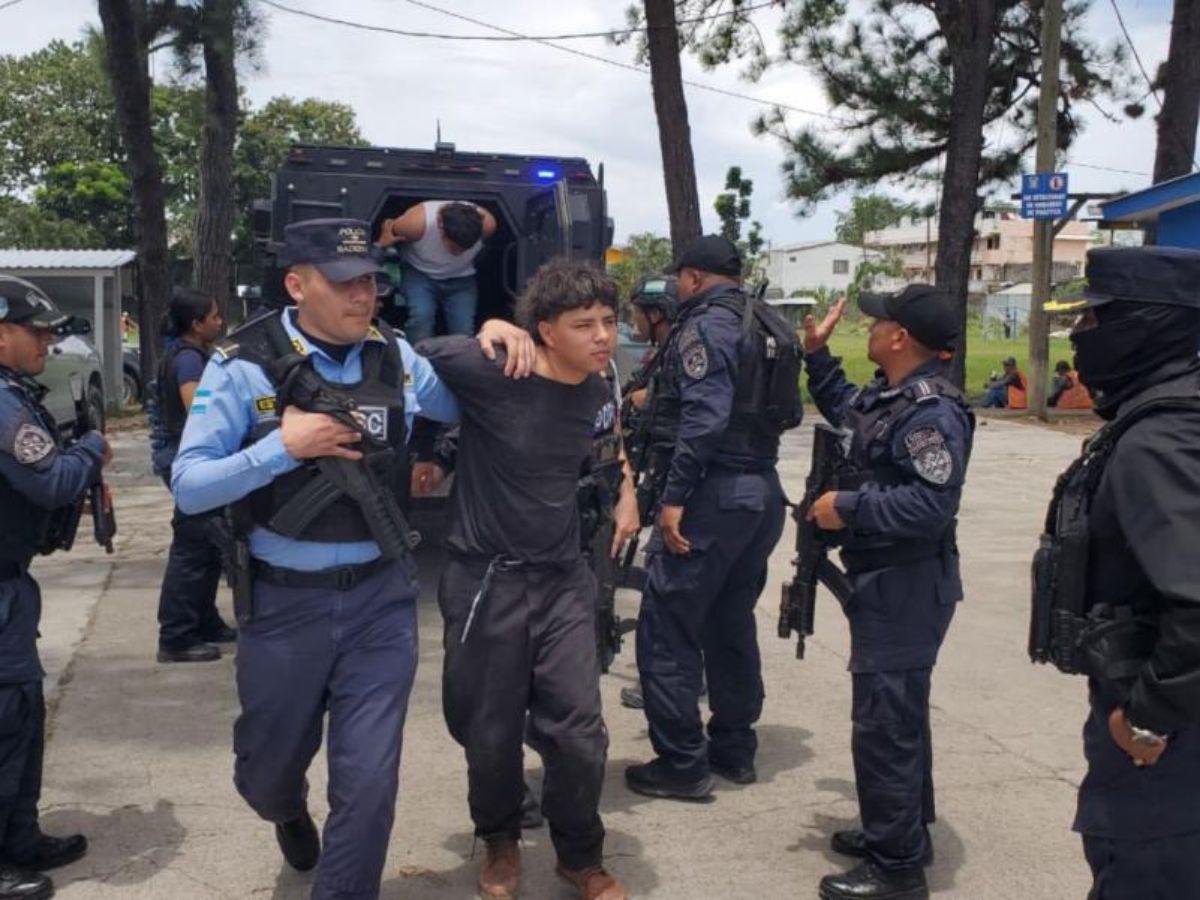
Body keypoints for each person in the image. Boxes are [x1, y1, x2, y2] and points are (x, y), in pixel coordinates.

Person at [171, 218, 533, 900]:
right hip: (282, 609)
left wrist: (487, 339)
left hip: (380, 602)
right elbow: (190, 488)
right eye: (344, 283)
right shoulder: (241, 363)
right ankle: (285, 808)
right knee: (265, 774)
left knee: (368, 783)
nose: (363, 295)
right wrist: (282, 446)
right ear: (296, 284)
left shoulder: (393, 355)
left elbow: (466, 403)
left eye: (370, 279)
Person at [416, 260, 638, 900]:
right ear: (544, 330)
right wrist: (485, 326)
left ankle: (579, 854)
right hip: (488, 579)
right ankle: (502, 841)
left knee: (580, 731)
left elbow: (609, 442)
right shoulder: (496, 372)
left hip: (564, 577)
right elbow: (413, 349)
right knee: (489, 731)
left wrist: (628, 490)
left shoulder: (601, 385)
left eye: (608, 321)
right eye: (584, 324)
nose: (603, 336)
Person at [1034, 246, 1200, 900]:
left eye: (1094, 322)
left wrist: (1150, 718)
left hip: (1172, 745)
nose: (1080, 336)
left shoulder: (1163, 437)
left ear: (1148, 322)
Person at [802, 285, 974, 900]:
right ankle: (903, 832)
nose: (870, 328)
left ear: (899, 338)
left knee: (885, 725)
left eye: (879, 321)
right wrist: (817, 356)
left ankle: (896, 866)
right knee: (898, 717)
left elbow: (931, 505)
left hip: (908, 581)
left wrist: (846, 507)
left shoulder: (931, 412)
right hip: (888, 579)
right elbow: (850, 413)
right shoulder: (892, 397)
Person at [625, 235, 799, 803]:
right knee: (730, 621)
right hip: (762, 492)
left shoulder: (705, 325)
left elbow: (705, 414)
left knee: (667, 626)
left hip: (712, 494)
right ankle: (734, 749)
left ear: (694, 278)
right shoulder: (770, 322)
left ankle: (680, 763)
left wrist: (675, 496)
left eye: (679, 278)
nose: (676, 288)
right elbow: (789, 411)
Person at [0, 285, 101, 900]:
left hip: (11, 581)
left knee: (22, 715)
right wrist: (93, 448)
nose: (48, 341)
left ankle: (18, 839)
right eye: (35, 331)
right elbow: (54, 481)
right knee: (6, 721)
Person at [151, 287, 236, 663]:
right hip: (187, 460)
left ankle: (204, 621)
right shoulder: (189, 361)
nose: (220, 322)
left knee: (208, 543)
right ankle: (177, 635)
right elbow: (198, 410)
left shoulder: (188, 354)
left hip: (187, 458)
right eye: (214, 316)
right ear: (196, 324)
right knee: (192, 550)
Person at [377, 200, 497, 342]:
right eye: (454, 247)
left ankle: (458, 362)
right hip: (419, 273)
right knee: (421, 319)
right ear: (440, 227)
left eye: (466, 248)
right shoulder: (414, 224)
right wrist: (380, 245)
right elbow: (389, 233)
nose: (459, 253)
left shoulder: (488, 225)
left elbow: (485, 252)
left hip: (462, 277)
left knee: (463, 330)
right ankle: (416, 360)